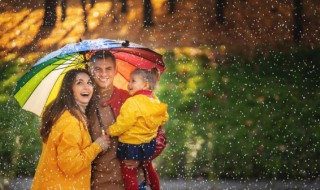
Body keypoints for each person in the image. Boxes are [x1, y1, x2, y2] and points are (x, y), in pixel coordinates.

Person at [31, 69, 110, 189]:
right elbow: (71, 165)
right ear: (69, 89)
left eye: (89, 83)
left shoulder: (67, 115)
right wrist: (97, 146)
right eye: (79, 83)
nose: (86, 87)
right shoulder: (71, 122)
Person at [107, 68, 169, 190]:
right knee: (149, 168)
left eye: (133, 81)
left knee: (129, 174)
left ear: (145, 84)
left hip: (131, 144)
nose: (129, 84)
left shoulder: (132, 102)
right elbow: (164, 118)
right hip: (148, 143)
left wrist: (111, 131)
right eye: (130, 81)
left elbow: (124, 124)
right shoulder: (154, 100)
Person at [88, 51, 130, 190]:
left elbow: (157, 136)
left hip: (130, 181)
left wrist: (139, 156)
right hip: (96, 183)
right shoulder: (84, 102)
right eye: (98, 69)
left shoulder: (129, 99)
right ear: (90, 70)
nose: (103, 74)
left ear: (116, 70)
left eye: (108, 69)